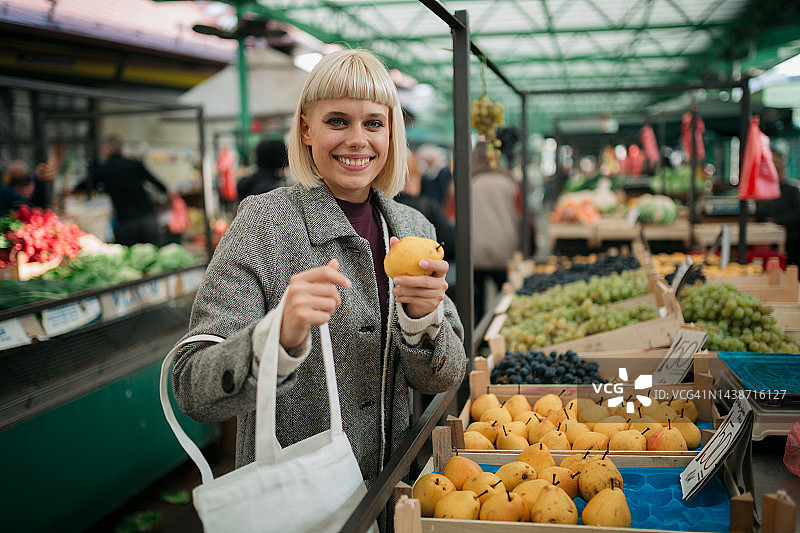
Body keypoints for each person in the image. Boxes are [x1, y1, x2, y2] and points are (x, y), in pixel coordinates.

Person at [170, 49, 467, 530]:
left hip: (396, 502)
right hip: (296, 509)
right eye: (337, 120)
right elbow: (192, 389)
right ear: (306, 130)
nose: (357, 140)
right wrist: (277, 336)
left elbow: (442, 377)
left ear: (391, 133)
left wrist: (423, 321)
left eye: (374, 123)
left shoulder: (411, 227)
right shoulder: (264, 225)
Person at [72, 134, 173, 246]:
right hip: (147, 218)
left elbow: (84, 185)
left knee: (130, 258)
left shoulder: (103, 169)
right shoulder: (134, 164)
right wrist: (168, 192)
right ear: (121, 149)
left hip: (126, 222)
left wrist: (72, 190)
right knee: (156, 254)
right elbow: (155, 181)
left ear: (107, 150)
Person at [472, 140, 522, 321]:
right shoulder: (510, 183)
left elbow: (451, 218)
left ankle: (479, 338)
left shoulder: (465, 183)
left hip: (474, 251)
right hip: (504, 249)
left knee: (476, 301)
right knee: (506, 295)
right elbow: (521, 215)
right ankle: (503, 328)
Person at [755, 151, 800, 271]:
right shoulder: (762, 192)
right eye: (775, 169)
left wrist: (775, 221)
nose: (779, 172)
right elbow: (760, 214)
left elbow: (796, 214)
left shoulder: (792, 191)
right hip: (767, 240)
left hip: (791, 240)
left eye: (780, 169)